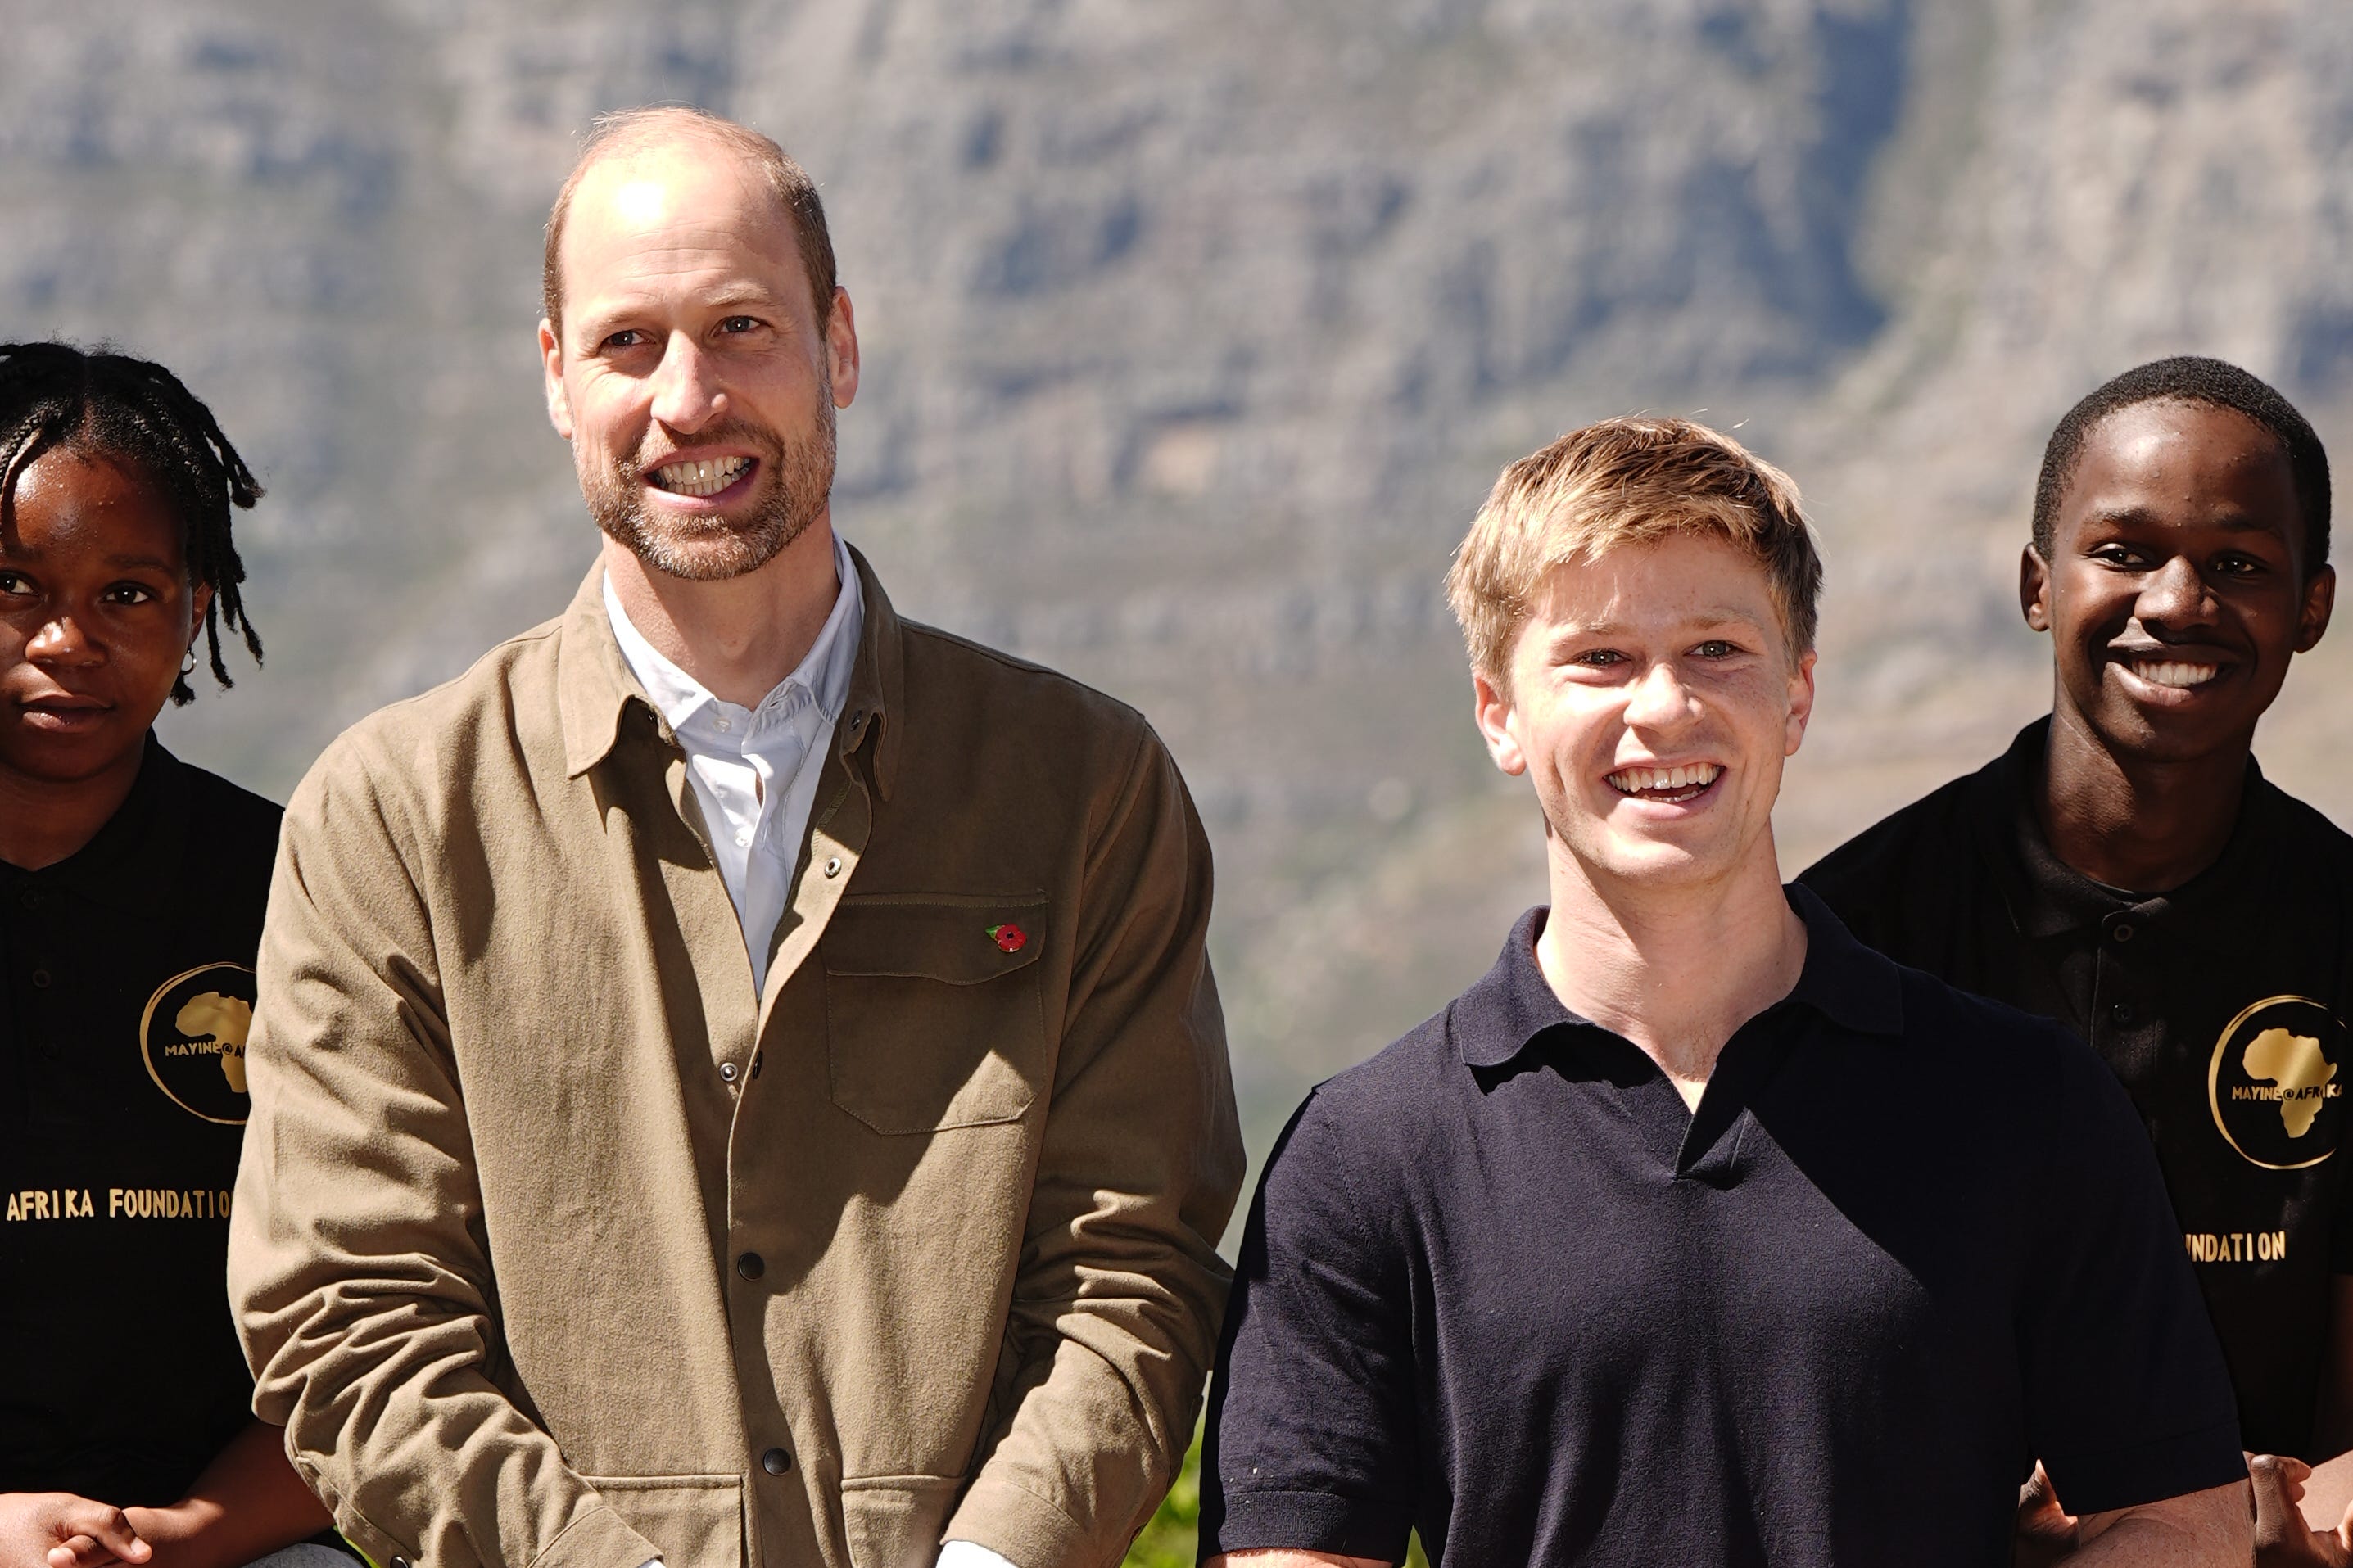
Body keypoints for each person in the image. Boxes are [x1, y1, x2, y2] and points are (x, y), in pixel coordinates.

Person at [227, 106, 1242, 1568]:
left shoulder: (1083, 786)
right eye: (628, 342)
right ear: (556, 379)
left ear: (838, 347)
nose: (687, 398)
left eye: (741, 326)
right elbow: (350, 1317)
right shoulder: (391, 815)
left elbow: (1132, 1270)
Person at [1197, 417, 2252, 1567]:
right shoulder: (1367, 1150)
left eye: (1715, 650)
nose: (1663, 707)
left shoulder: (2026, 1103)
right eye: (1597, 658)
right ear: (1499, 713)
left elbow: (2175, 1522)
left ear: (1794, 698)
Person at [1799, 356, 2353, 1561]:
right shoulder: (1841, 940)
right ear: (2036, 585)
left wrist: (2256, 1515)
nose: (2175, 602)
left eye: (2238, 566)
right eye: (2124, 552)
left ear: (2310, 609)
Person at [0, 344, 337, 1568]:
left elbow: (394, 1305)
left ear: (196, 611)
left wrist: (178, 1537)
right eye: (13, 584)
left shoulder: (306, 893)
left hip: (235, 1542)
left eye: (127, 594)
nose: (66, 641)